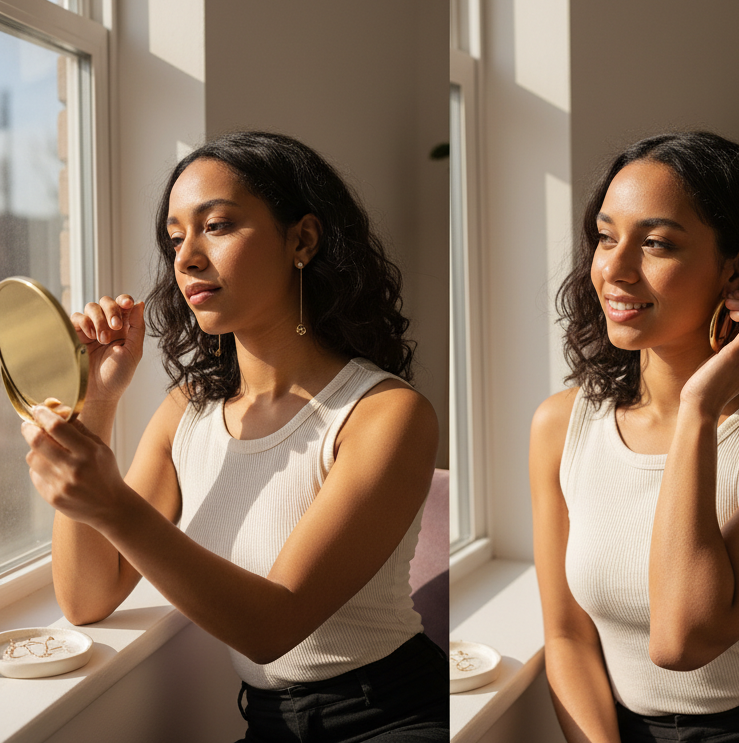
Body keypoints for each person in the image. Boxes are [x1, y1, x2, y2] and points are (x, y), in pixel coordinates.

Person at [22, 131, 450, 741]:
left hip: (390, 715)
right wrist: (98, 400)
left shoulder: (386, 415)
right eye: (175, 239)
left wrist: (113, 501)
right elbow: (87, 598)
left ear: (301, 239)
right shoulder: (187, 414)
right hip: (268, 724)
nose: (186, 258)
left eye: (216, 226)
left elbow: (271, 628)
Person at [529, 131, 739, 742]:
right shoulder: (562, 426)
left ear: (737, 269)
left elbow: (683, 638)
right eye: (606, 237)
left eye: (655, 243)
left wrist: (699, 410)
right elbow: (567, 637)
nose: (616, 268)